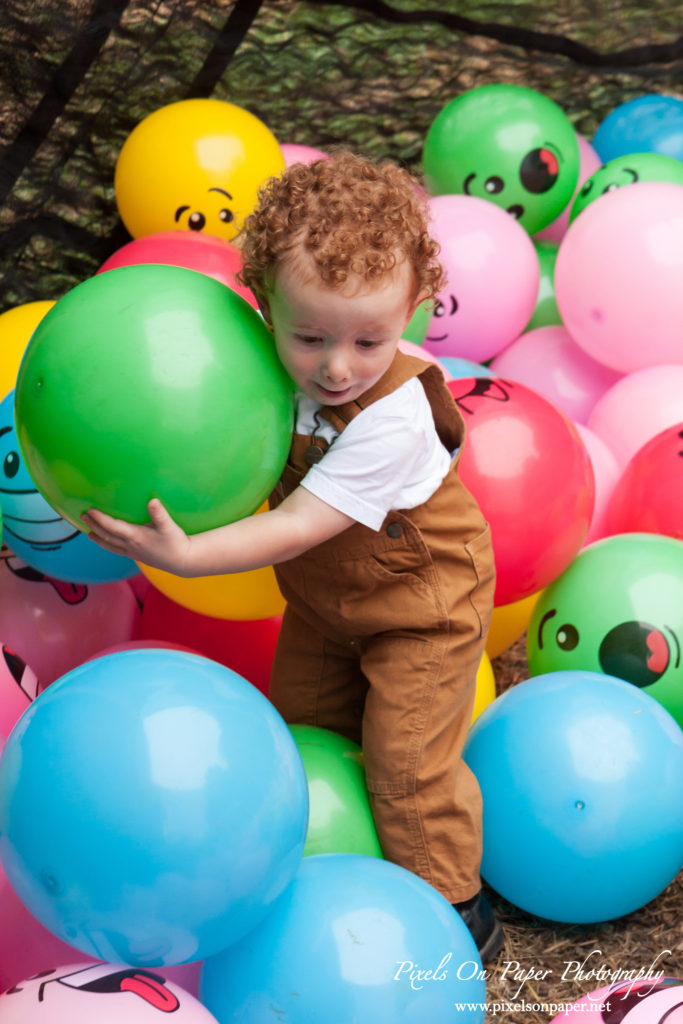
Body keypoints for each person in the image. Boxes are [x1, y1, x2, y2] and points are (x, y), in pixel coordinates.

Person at [83, 150, 502, 961]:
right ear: (263, 307)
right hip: (325, 605)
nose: (336, 367)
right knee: (302, 732)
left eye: (368, 341)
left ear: (414, 309)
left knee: (404, 761)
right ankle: (330, 874)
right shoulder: (264, 370)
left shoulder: (395, 416)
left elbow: (300, 522)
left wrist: (186, 553)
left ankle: (456, 907)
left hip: (423, 607)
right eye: (309, 336)